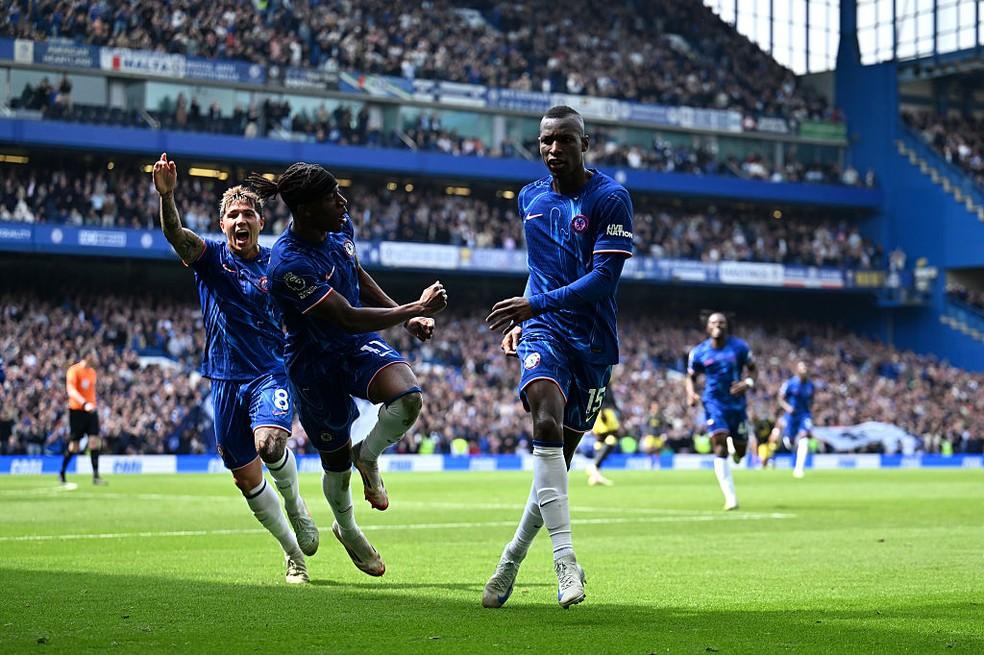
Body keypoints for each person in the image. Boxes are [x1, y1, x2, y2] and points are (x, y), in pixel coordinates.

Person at [246, 163, 447, 578]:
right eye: (331, 197)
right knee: (335, 464)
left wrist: (405, 317)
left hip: (354, 348)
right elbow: (347, 316)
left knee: (408, 397)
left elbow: (355, 271)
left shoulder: (339, 228)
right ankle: (348, 528)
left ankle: (367, 456)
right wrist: (415, 307)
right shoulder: (288, 264)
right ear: (305, 209)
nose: (343, 203)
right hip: (314, 365)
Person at [482, 105, 634, 609]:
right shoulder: (530, 197)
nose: (553, 148)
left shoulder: (610, 198)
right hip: (544, 332)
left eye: (565, 139)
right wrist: (526, 317)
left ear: (584, 144)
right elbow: (539, 268)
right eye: (546, 140)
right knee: (544, 421)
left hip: (591, 341)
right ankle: (565, 560)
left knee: (556, 467)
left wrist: (534, 304)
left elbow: (603, 280)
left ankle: (510, 558)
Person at [152, 153, 318, 585]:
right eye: (232, 215)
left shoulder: (279, 265)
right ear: (222, 224)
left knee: (270, 444)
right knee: (246, 480)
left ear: (260, 222)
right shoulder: (210, 259)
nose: (240, 220)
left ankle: (296, 505)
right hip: (224, 381)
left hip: (269, 373)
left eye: (247, 214)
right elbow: (175, 234)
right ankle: (293, 553)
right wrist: (167, 196)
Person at [685, 312, 757, 510]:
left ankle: (737, 450)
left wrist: (748, 383)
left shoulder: (740, 347)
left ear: (727, 325)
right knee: (720, 443)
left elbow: (753, 368)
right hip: (713, 402)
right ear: (707, 327)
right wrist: (691, 394)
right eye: (714, 322)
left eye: (721, 322)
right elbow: (690, 377)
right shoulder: (699, 352)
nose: (718, 325)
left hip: (737, 404)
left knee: (741, 451)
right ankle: (730, 497)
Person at [59, 350, 106, 486]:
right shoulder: (74, 371)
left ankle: (96, 476)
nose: (95, 358)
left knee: (94, 442)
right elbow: (71, 391)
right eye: (93, 355)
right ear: (87, 356)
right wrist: (84, 403)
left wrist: (93, 405)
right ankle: (62, 472)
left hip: (90, 411)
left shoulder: (92, 372)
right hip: (77, 411)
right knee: (74, 446)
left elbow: (91, 392)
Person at [780, 361, 815, 479]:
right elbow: (780, 398)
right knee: (789, 443)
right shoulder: (790, 383)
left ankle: (799, 469)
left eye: (805, 367)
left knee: (804, 437)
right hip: (792, 416)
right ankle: (789, 441)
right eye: (802, 367)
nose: (804, 369)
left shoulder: (810, 385)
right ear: (797, 370)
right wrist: (787, 407)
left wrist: (810, 412)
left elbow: (812, 399)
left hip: (804, 415)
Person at [585, 392, 619, 486]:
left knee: (599, 443)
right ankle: (594, 466)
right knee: (612, 439)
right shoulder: (608, 411)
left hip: (596, 412)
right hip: (604, 412)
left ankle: (596, 475)